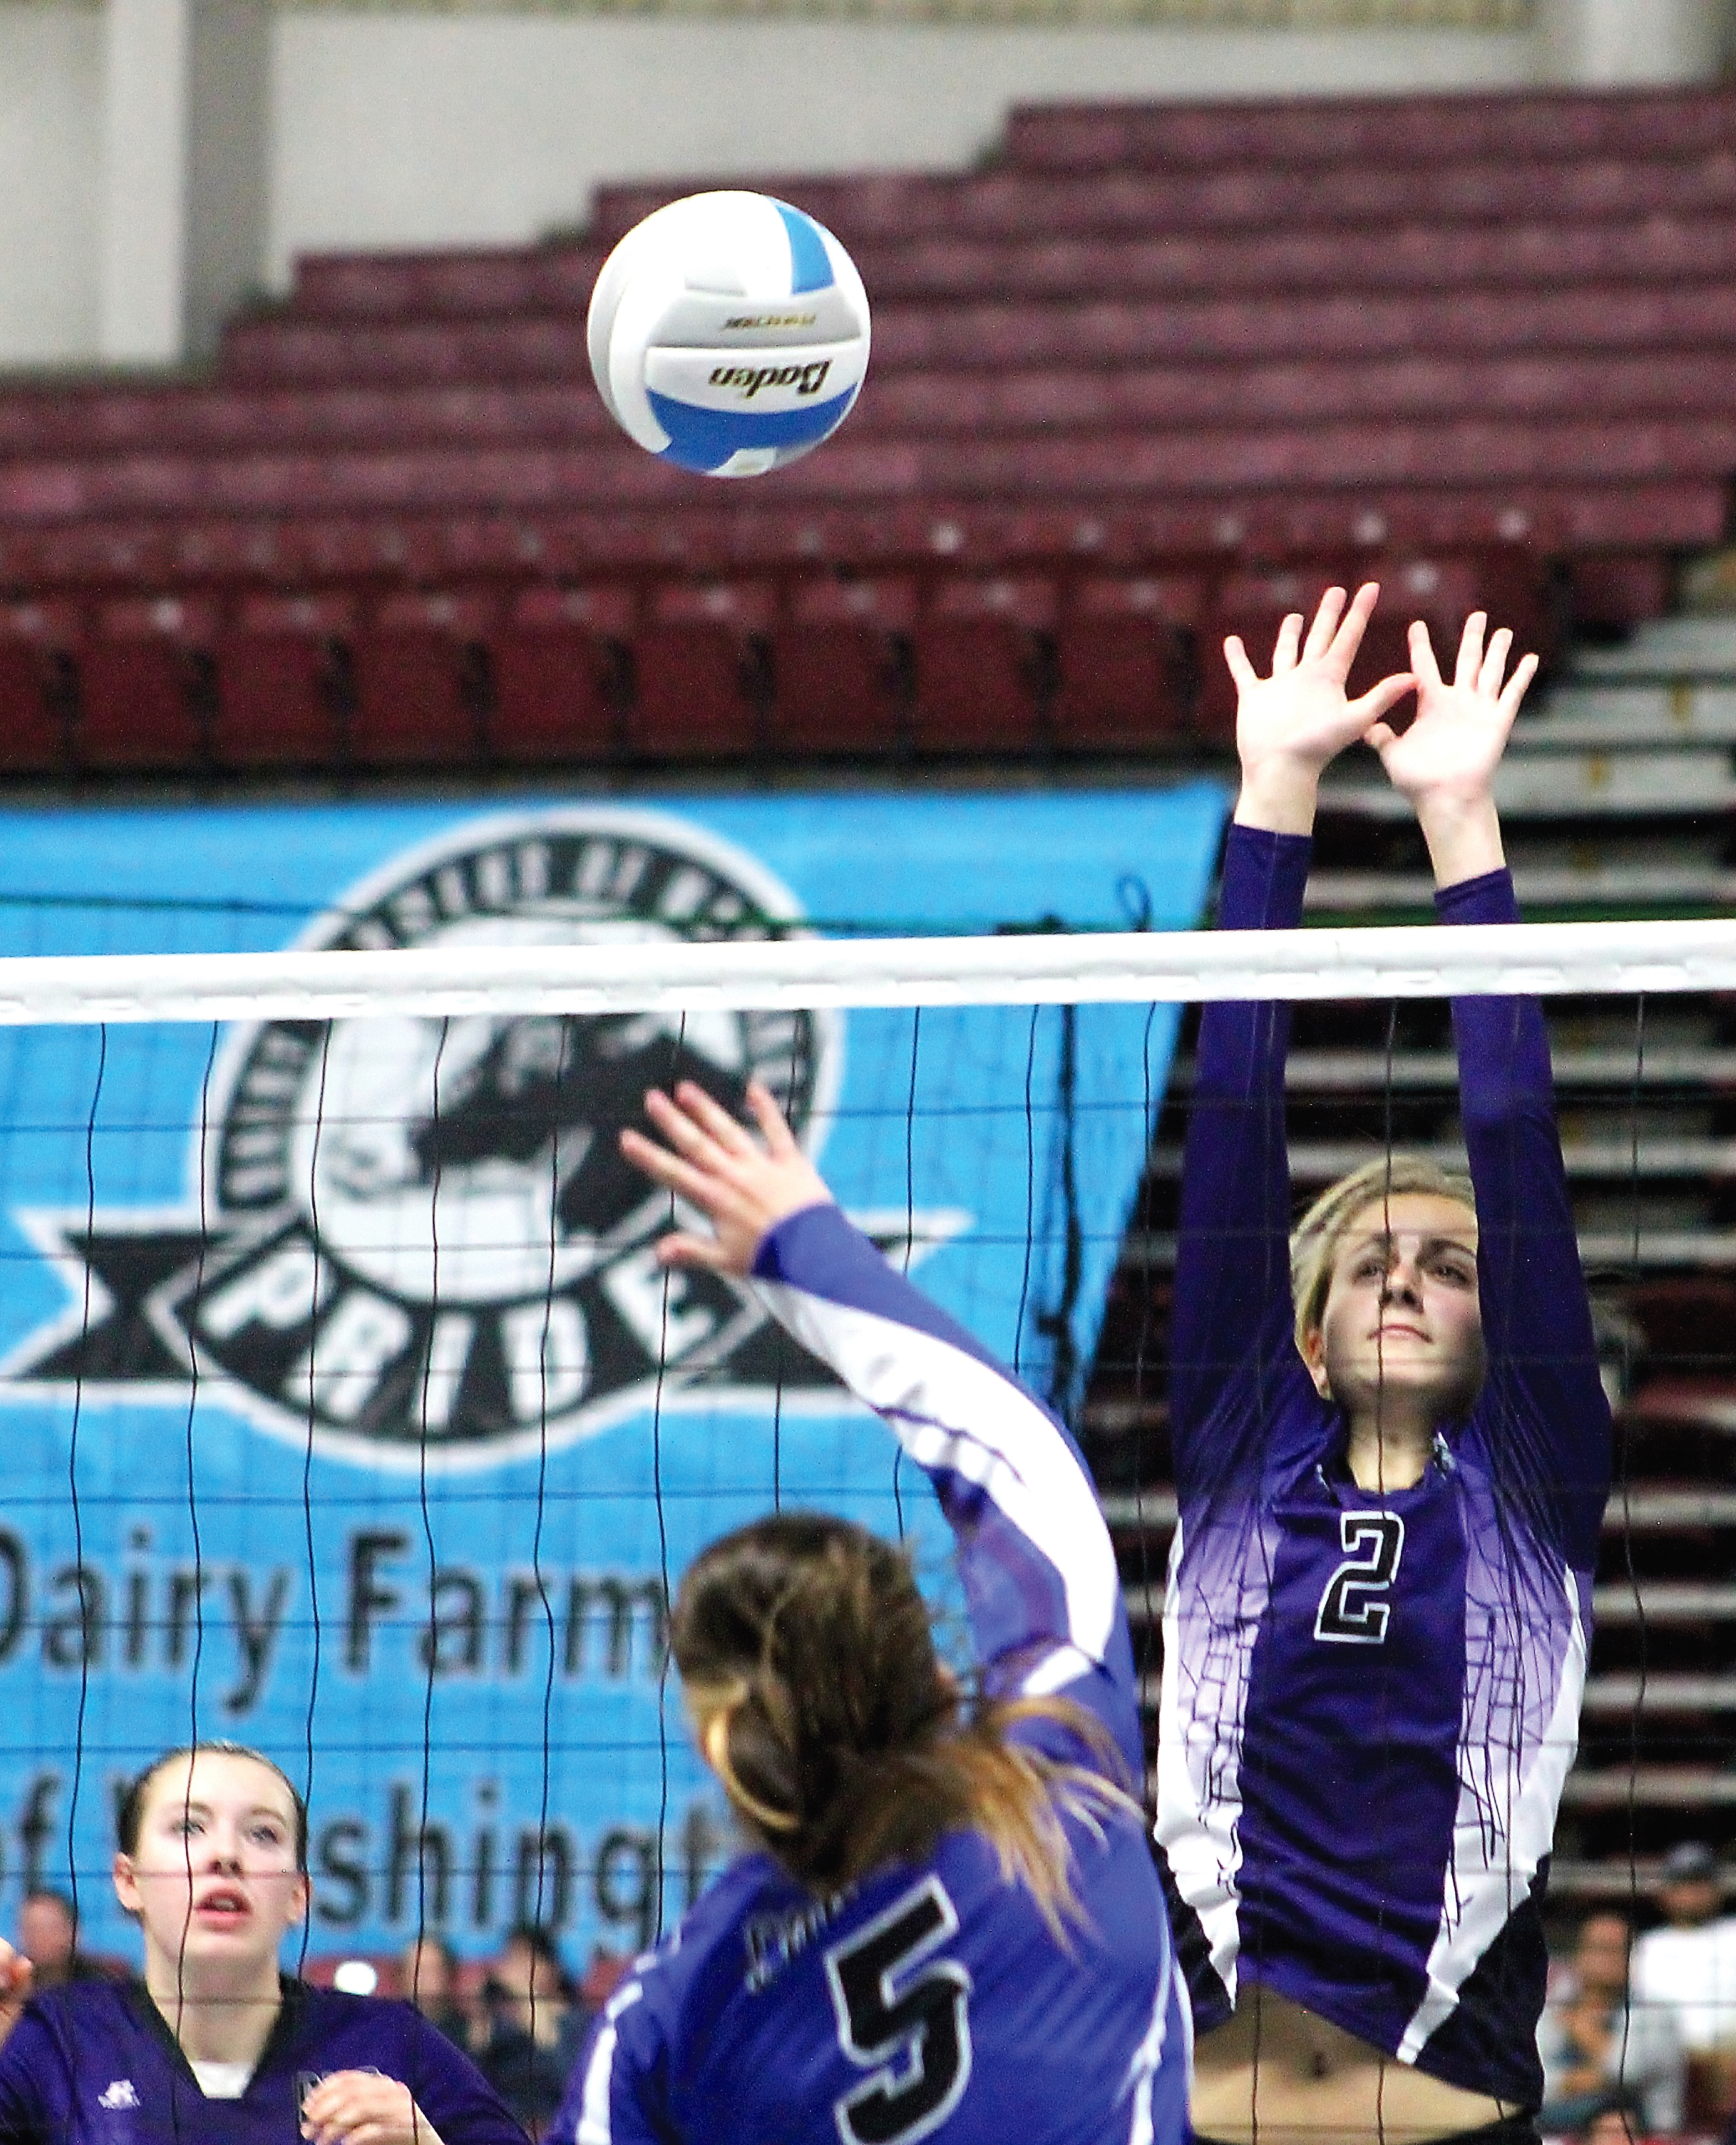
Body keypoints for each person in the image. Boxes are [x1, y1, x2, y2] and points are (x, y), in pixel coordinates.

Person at [1162, 585, 1613, 2145]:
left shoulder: (1536, 1488)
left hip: (1444, 2119)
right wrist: (1272, 794)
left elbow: (1517, 1139)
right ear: (1304, 1330)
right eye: (1371, 1260)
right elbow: (1235, 1111)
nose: (1409, 1279)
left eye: (1447, 1264)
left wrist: (1461, 828)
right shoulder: (1238, 1449)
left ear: (1502, 1325)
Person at [548, 1076, 1192, 2144]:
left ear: (721, 1740)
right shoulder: (1057, 1790)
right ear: (933, 1669)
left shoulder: (665, 2015)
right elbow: (1015, 1456)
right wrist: (806, 1246)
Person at [0, 1739, 528, 2143]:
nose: (225, 1855)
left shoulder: (392, 2045)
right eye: (189, 1828)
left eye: (263, 1834)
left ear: (298, 1895)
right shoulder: (52, 2040)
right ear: (129, 1881)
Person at [1537, 1911, 1683, 2136]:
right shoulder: (1553, 2007)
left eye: (1622, 1949)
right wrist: (1578, 2082)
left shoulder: (1655, 2013)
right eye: (1602, 1948)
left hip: (1643, 2133)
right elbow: (1535, 2078)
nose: (1613, 1957)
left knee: (1613, 2122)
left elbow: (1629, 2071)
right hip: (1557, 2127)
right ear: (1578, 1955)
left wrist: (1582, 2029)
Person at [1630, 1840, 1736, 2105]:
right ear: (1666, 1893)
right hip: (1671, 2061)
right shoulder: (1647, 1947)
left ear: (1717, 1890)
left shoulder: (1733, 1934)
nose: (1691, 1893)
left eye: (1699, 1884)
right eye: (1683, 1884)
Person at [476, 1925, 582, 2139]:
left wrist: (530, 2004)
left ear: (552, 1968)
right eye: (513, 1961)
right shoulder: (501, 2026)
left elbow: (571, 2085)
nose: (519, 1972)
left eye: (528, 1961)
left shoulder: (578, 2021)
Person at [400, 1930, 477, 2054]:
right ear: (402, 1976)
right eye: (417, 1970)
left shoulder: (470, 2034)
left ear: (449, 1975)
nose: (423, 1979)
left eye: (432, 1970)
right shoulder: (388, 2032)